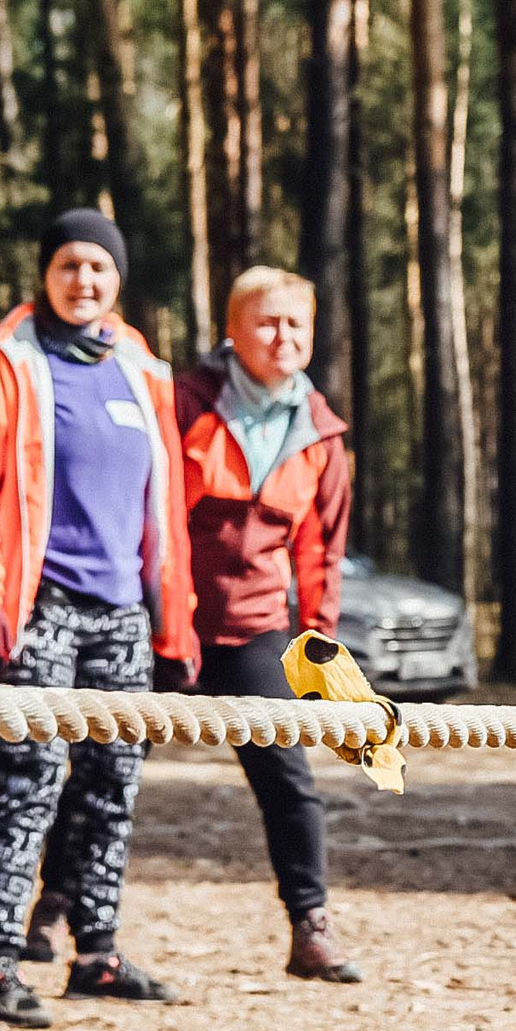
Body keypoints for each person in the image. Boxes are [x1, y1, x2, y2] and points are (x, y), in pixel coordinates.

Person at [0, 209, 198, 1028]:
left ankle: (97, 953)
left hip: (122, 615)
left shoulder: (143, 372)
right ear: (45, 274)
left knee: (111, 786)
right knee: (29, 780)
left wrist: (175, 625)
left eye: (99, 268)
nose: (84, 281)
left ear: (119, 280)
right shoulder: (3, 360)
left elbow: (167, 513)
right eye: (69, 266)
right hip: (37, 604)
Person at [172, 267, 362, 982]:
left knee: (288, 777)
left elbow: (321, 551)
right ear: (234, 329)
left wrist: (316, 647)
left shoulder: (320, 433)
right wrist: (163, 621)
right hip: (170, 619)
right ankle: (61, 909)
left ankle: (310, 927)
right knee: (109, 761)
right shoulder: (185, 403)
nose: (283, 337)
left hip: (254, 629)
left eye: (296, 325)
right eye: (267, 322)